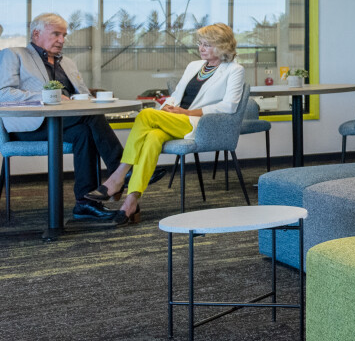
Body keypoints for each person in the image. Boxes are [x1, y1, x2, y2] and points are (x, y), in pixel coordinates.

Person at [98, 24, 245, 222]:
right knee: (152, 137)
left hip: (198, 123)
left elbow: (229, 106)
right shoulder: (194, 66)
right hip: (175, 119)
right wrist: (168, 106)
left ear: (222, 46)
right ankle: (131, 202)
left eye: (207, 45)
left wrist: (186, 112)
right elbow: (176, 94)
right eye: (200, 43)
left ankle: (119, 174)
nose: (201, 48)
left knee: (146, 114)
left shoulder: (234, 70)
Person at [0, 13, 124, 222]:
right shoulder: (14, 55)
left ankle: (85, 203)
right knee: (90, 118)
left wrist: (89, 100)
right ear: (36, 34)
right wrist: (47, 96)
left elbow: (83, 96)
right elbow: (2, 94)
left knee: (85, 131)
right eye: (56, 34)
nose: (61, 40)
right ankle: (122, 170)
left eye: (64, 35)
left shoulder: (68, 63)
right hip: (29, 126)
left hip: (65, 123)